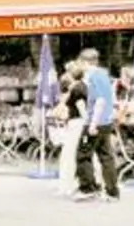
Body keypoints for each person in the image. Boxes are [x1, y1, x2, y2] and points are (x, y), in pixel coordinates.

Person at [73, 48, 119, 202]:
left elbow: (100, 100)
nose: (79, 65)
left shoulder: (94, 77)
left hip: (95, 122)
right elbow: (110, 98)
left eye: (80, 62)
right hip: (106, 121)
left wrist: (93, 124)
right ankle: (112, 191)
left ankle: (88, 188)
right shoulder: (105, 76)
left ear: (85, 62)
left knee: (83, 155)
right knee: (106, 156)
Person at [55, 65, 88, 197]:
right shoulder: (82, 87)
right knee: (73, 155)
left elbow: (81, 108)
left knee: (68, 155)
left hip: (76, 124)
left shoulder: (77, 90)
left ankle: (66, 186)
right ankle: (70, 184)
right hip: (77, 123)